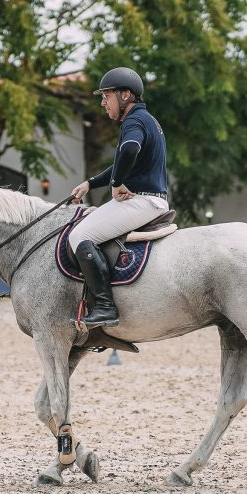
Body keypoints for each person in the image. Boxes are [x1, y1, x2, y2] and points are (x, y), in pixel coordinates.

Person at [68, 67, 169, 328]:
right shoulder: (146, 119)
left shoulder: (134, 121)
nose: (102, 102)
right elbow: (123, 162)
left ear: (125, 95)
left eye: (106, 96)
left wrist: (115, 185)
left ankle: (105, 307)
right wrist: (90, 183)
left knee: (79, 236)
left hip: (142, 200)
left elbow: (130, 150)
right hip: (149, 197)